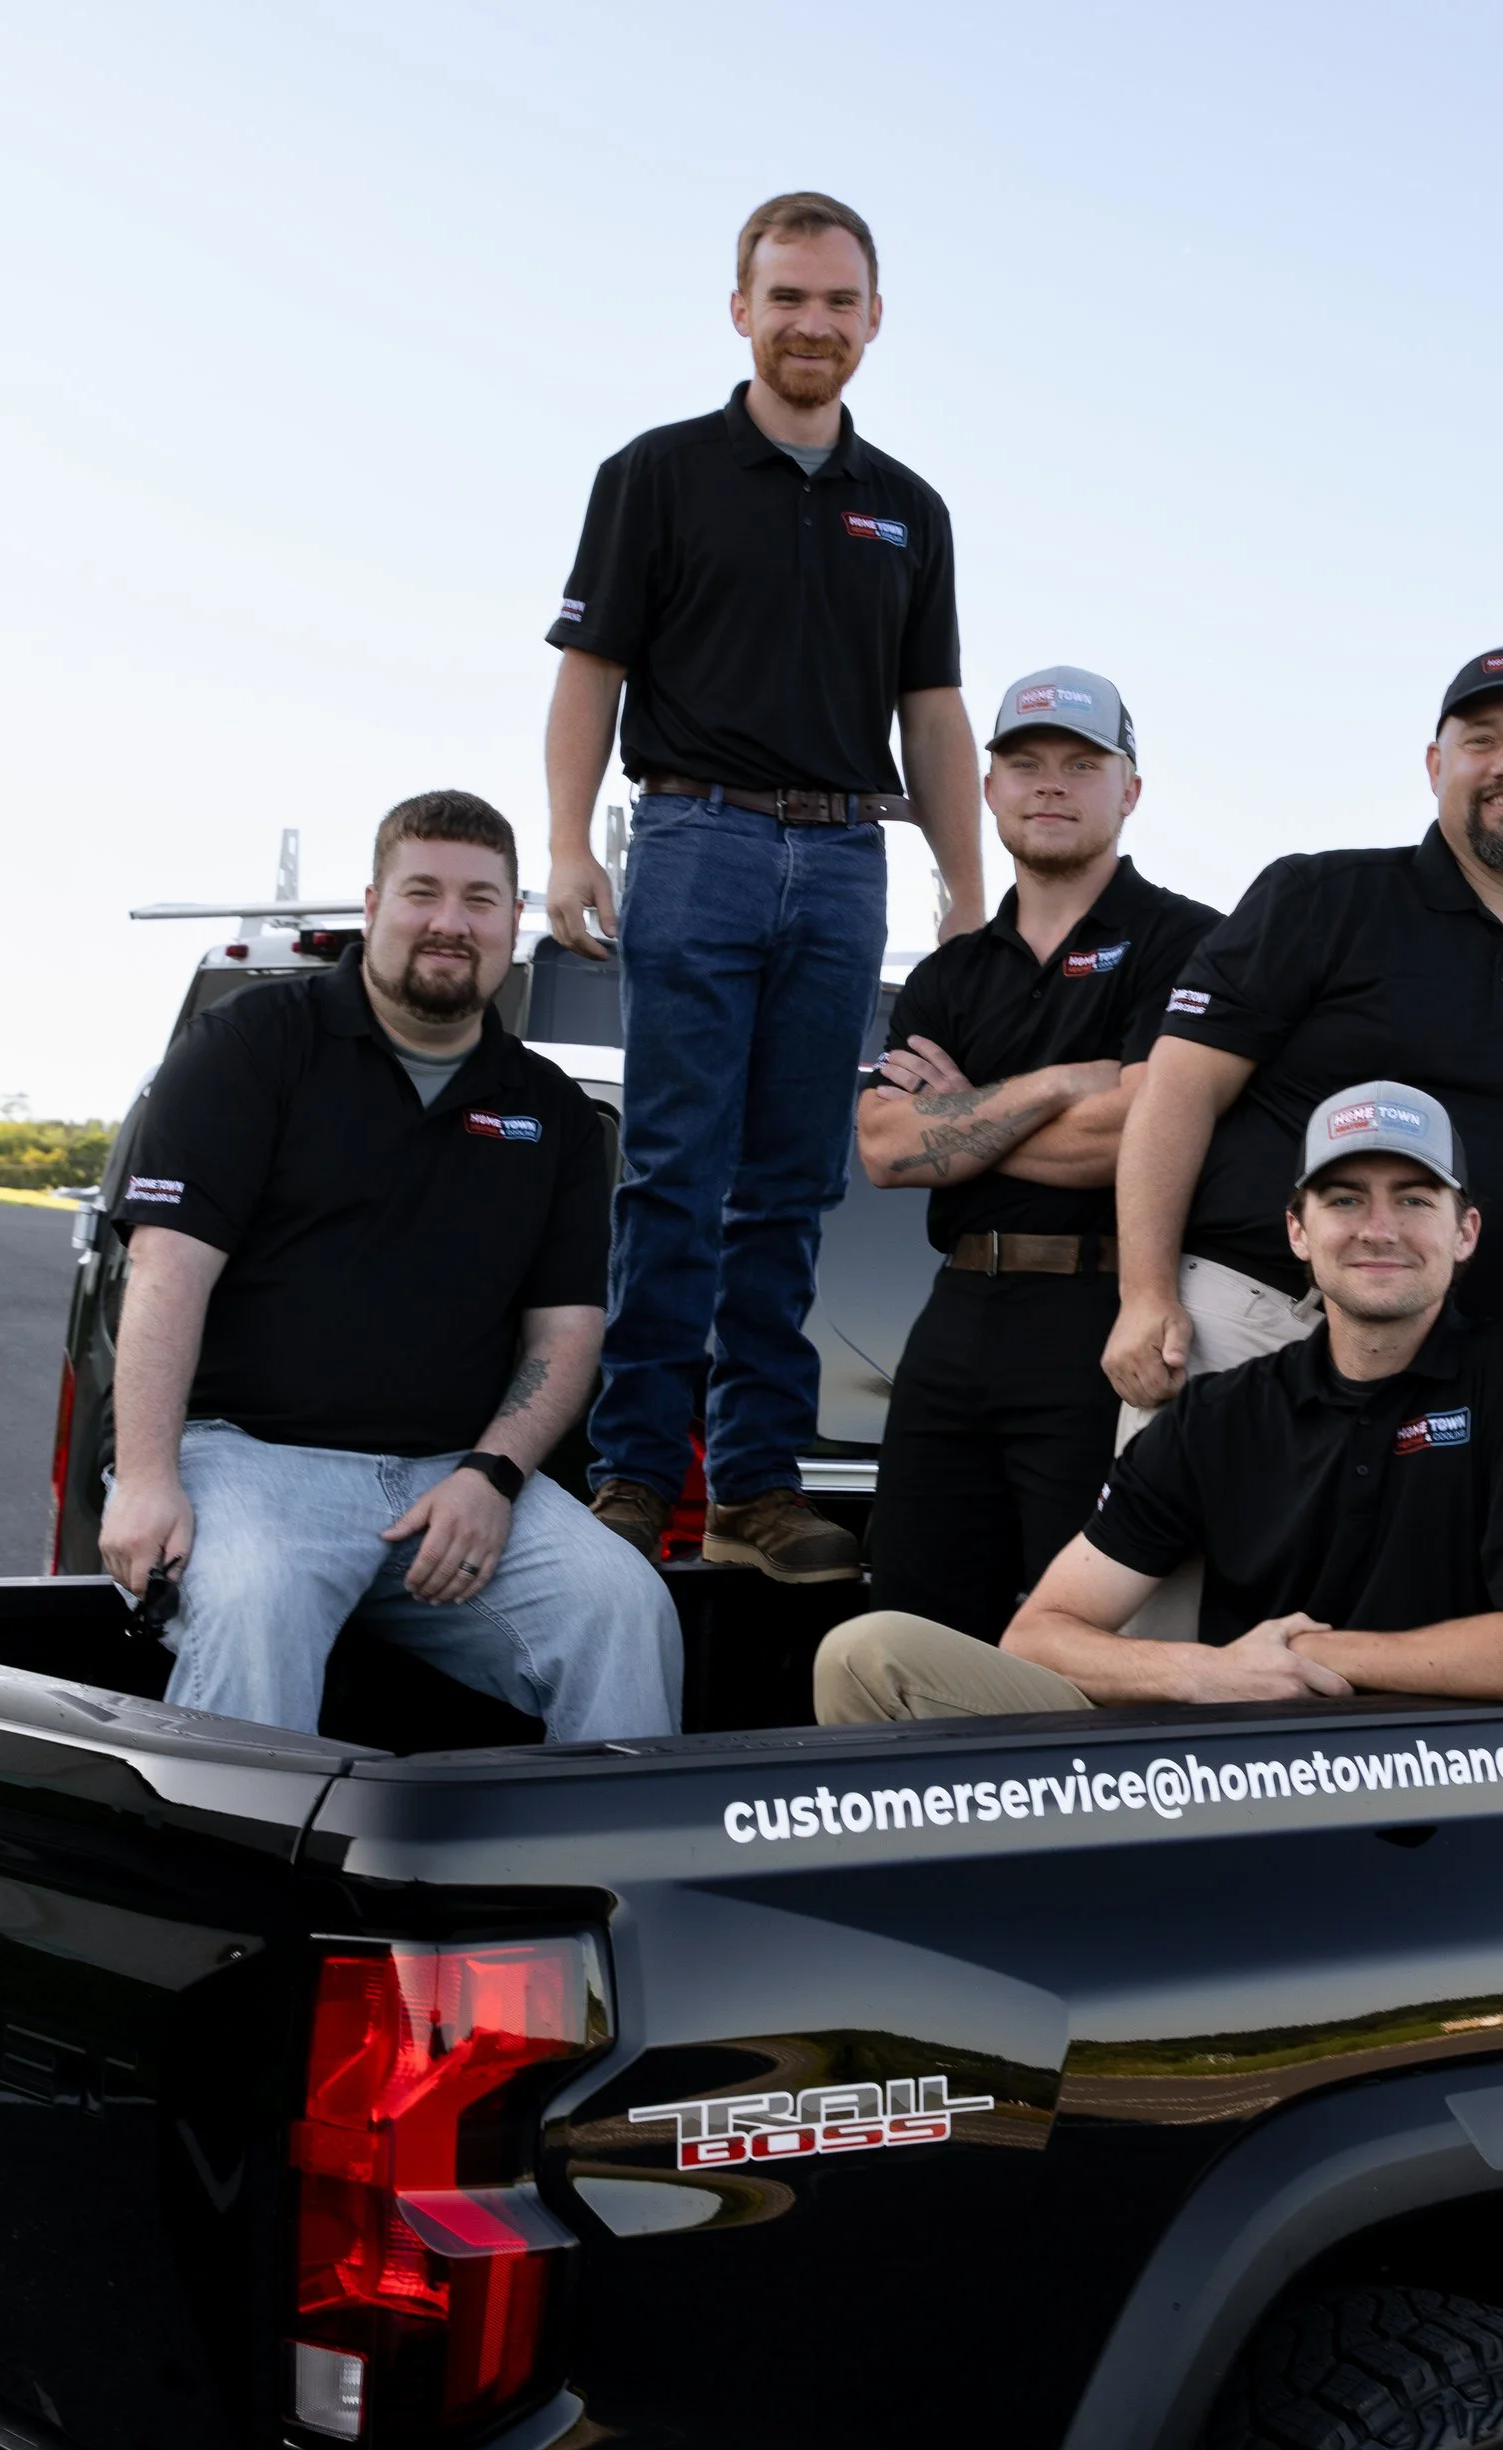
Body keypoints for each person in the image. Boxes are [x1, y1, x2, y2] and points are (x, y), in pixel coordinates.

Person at [542, 190, 984, 1583]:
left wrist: (966, 891)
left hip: (848, 856)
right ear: (742, 309)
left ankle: (755, 1488)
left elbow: (935, 712)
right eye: (787, 297)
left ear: (872, 321)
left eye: (838, 302)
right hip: (697, 840)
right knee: (674, 1172)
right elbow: (589, 676)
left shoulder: (908, 512)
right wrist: (567, 845)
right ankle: (630, 1477)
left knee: (792, 1190)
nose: (813, 324)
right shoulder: (657, 474)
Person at [1095, 645, 1503, 1636]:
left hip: (1461, 1376)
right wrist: (1146, 1291)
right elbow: (1175, 1092)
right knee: (1162, 1641)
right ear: (1433, 764)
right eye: (1481, 741)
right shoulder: (1319, 899)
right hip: (1247, 1328)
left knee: (1381, 1673)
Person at [96, 790, 681, 1743]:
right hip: (248, 1461)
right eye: (423, 893)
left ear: (511, 920)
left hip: (451, 1475)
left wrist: (492, 1476)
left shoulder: (555, 1115)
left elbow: (566, 1327)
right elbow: (167, 1272)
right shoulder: (248, 1048)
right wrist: (148, 1477)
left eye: (481, 901)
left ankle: (606, 1891)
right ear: (372, 906)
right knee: (256, 1602)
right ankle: (237, 1887)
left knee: (624, 1607)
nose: (451, 924)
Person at [815, 1082, 1503, 1720]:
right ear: (1298, 1233)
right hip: (1232, 1771)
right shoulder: (1222, 1410)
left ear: (1465, 1231)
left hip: (1438, 1778)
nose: (1379, 1228)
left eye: (1413, 1199)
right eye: (1343, 1199)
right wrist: (1212, 1674)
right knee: (868, 1654)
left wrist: (1315, 1658)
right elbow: (1043, 1635)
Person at [855, 668, 1219, 1640]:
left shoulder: (1189, 944)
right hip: (954, 1320)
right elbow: (887, 1149)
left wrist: (962, 1127)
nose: (1049, 784)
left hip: (1100, 1324)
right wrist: (1061, 1083)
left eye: (1079, 764)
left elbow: (1143, 1131)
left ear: (1128, 790)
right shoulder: (947, 973)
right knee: (914, 1629)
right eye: (1024, 764)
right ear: (990, 790)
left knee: (1086, 1650)